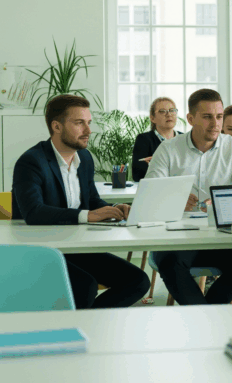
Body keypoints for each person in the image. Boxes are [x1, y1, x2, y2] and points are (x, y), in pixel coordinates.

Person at [11, 94, 149, 309]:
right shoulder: (31, 161)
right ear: (56, 126)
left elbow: (91, 199)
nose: (88, 130)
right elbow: (34, 212)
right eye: (79, 123)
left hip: (76, 245)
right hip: (43, 249)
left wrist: (113, 209)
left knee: (138, 281)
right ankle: (76, 331)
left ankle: (87, 325)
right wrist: (88, 216)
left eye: (89, 122)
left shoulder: (84, 158)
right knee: (85, 285)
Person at [146, 89, 232, 305]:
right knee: (169, 263)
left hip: (222, 235)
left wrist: (222, 203)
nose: (215, 124)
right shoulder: (168, 149)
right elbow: (151, 196)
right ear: (190, 119)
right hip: (178, 237)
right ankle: (204, 315)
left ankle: (205, 312)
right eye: (207, 117)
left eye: (219, 116)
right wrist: (174, 198)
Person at [132, 97, 183, 182]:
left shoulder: (184, 138)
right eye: (162, 111)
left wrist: (157, 164)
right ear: (152, 118)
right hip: (155, 190)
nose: (169, 114)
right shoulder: (143, 139)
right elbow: (137, 175)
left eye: (172, 110)